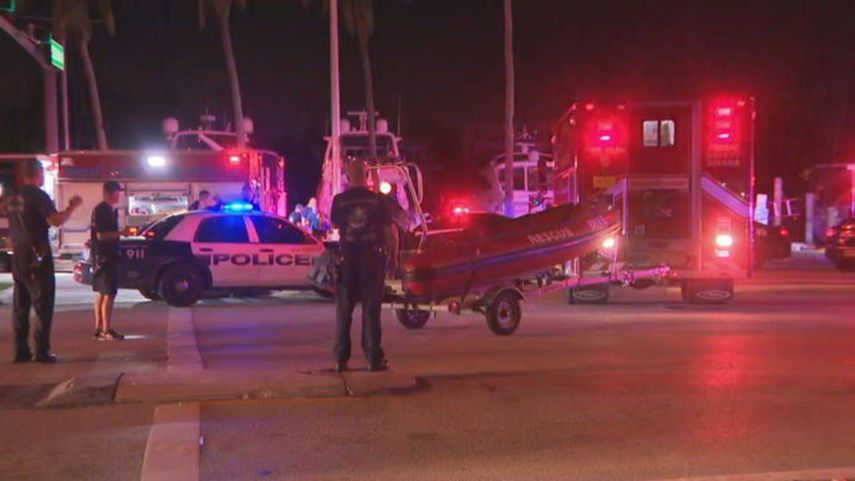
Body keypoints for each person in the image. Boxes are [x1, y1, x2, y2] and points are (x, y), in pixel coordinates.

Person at [7, 159, 82, 363]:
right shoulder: (38, 195)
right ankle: (42, 350)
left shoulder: (13, 197)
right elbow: (55, 220)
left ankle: (20, 350)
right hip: (37, 254)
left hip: (19, 255)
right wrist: (71, 207)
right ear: (38, 173)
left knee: (20, 306)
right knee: (43, 304)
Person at [330, 160, 399, 373]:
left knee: (344, 311)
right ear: (366, 175)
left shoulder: (339, 200)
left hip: (347, 259)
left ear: (348, 177)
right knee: (371, 310)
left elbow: (333, 224)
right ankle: (373, 358)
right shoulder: (377, 200)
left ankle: (340, 359)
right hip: (371, 259)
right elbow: (389, 232)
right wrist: (393, 257)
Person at [91, 181, 125, 341]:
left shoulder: (109, 210)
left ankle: (99, 328)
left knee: (102, 293)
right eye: (117, 192)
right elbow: (101, 236)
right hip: (105, 257)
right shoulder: (102, 211)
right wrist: (121, 233)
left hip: (103, 257)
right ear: (109, 193)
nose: (119, 195)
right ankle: (106, 329)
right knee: (109, 294)